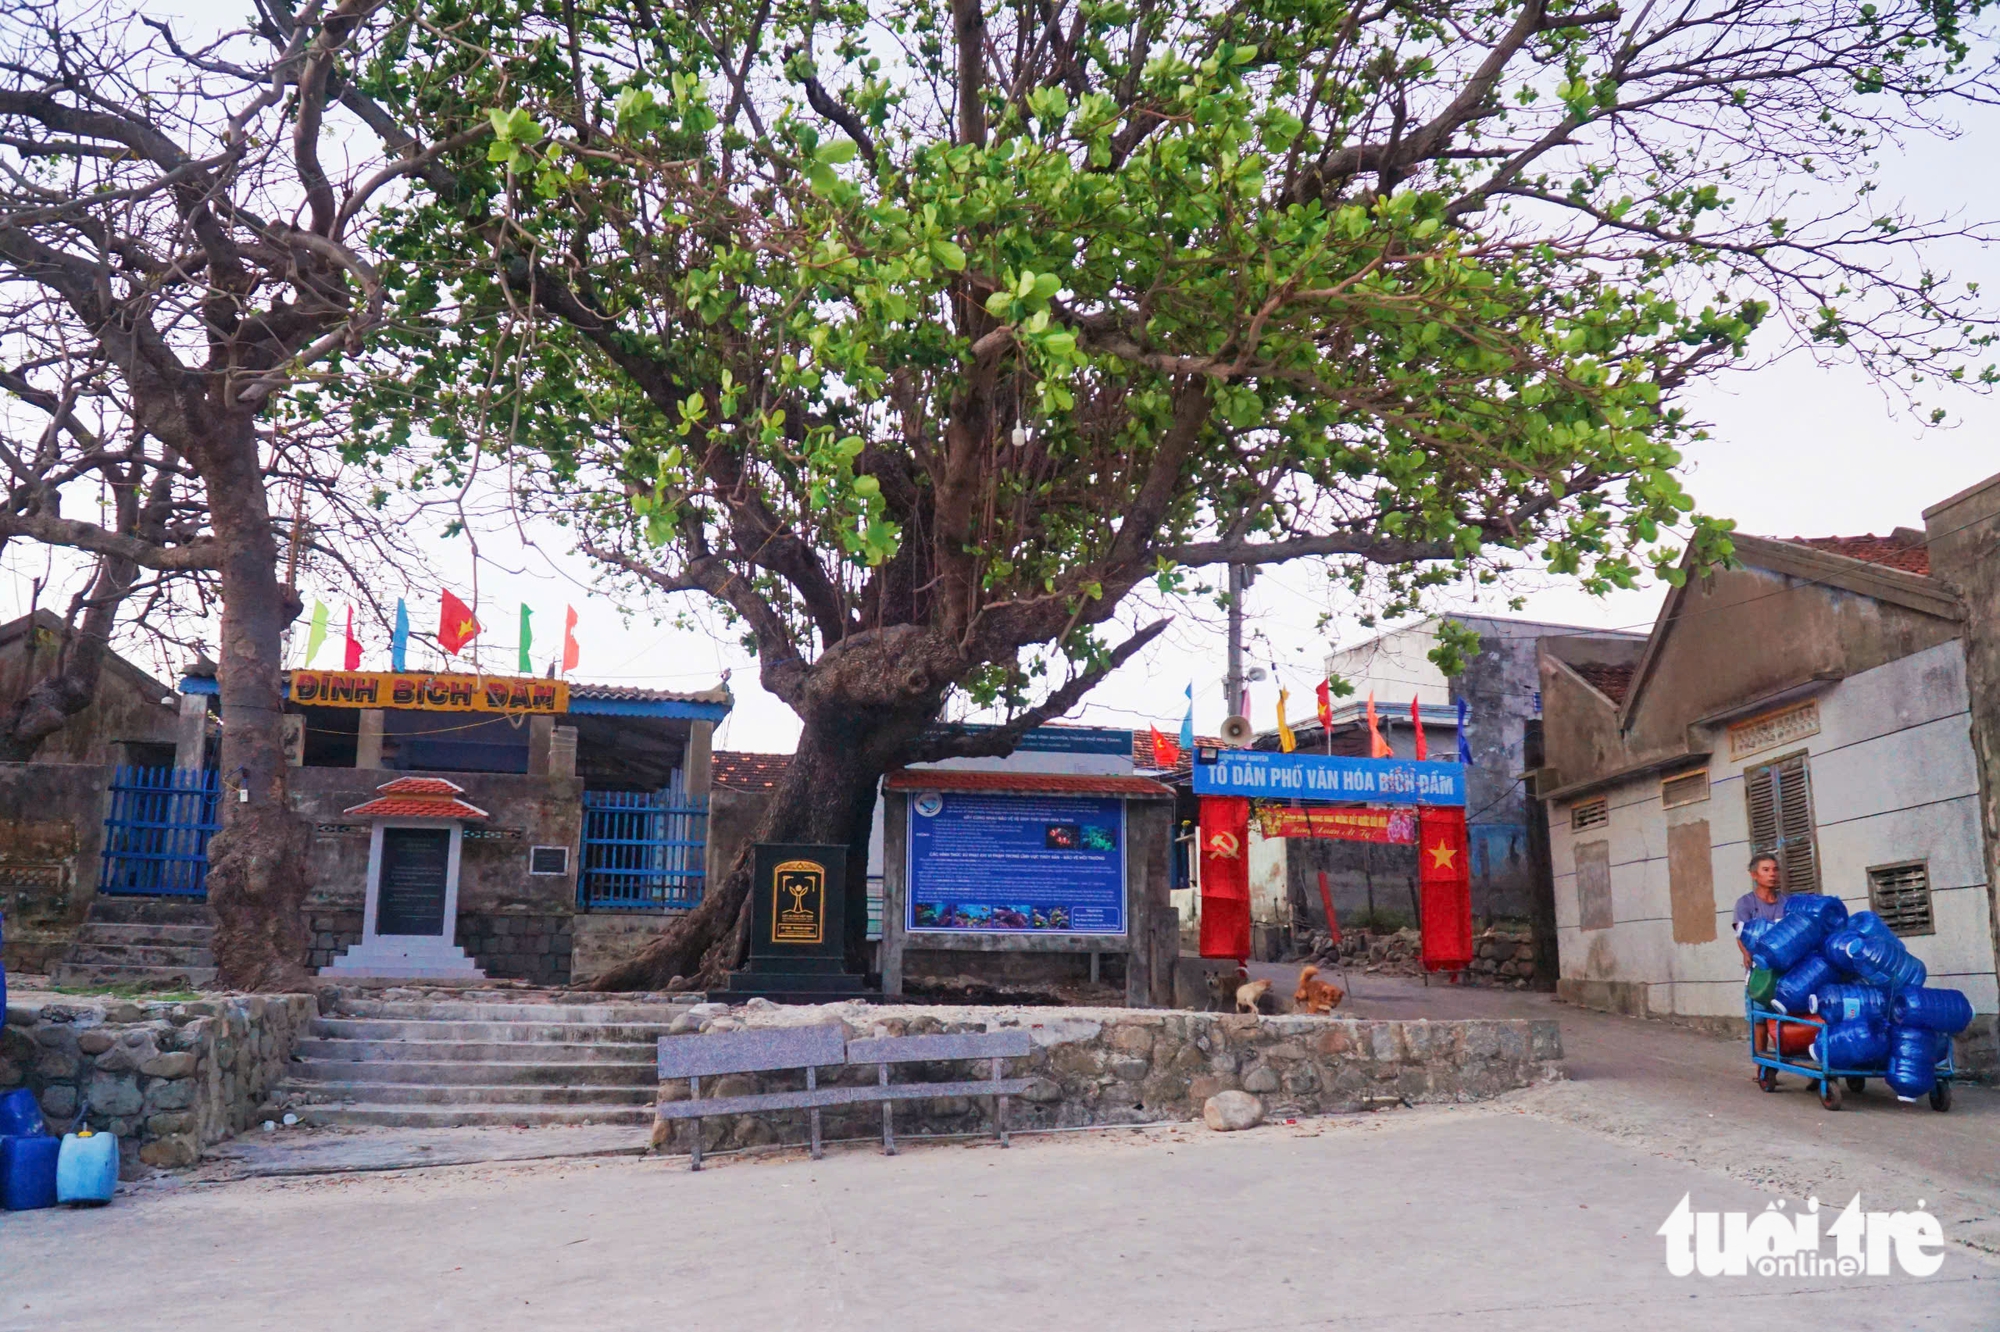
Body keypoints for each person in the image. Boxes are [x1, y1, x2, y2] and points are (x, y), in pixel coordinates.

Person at [1734, 853, 1786, 969]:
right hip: (1760, 964)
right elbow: (1740, 934)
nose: (1772, 874)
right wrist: (1746, 954)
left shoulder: (1787, 902)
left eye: (1775, 870)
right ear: (1754, 875)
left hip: (1784, 963)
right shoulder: (1745, 903)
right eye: (1766, 870)